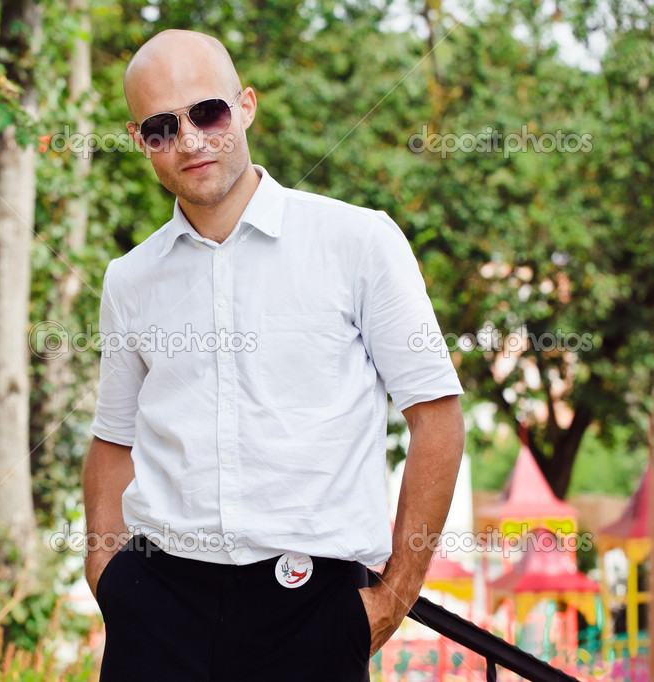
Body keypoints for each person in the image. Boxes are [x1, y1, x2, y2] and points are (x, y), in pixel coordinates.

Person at [83, 28, 466, 681]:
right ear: (139, 140)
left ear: (246, 107)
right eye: (161, 127)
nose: (190, 141)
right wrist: (108, 576)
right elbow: (113, 440)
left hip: (311, 610)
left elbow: (436, 417)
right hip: (156, 609)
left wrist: (392, 598)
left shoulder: (357, 241)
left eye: (207, 113)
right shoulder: (129, 279)